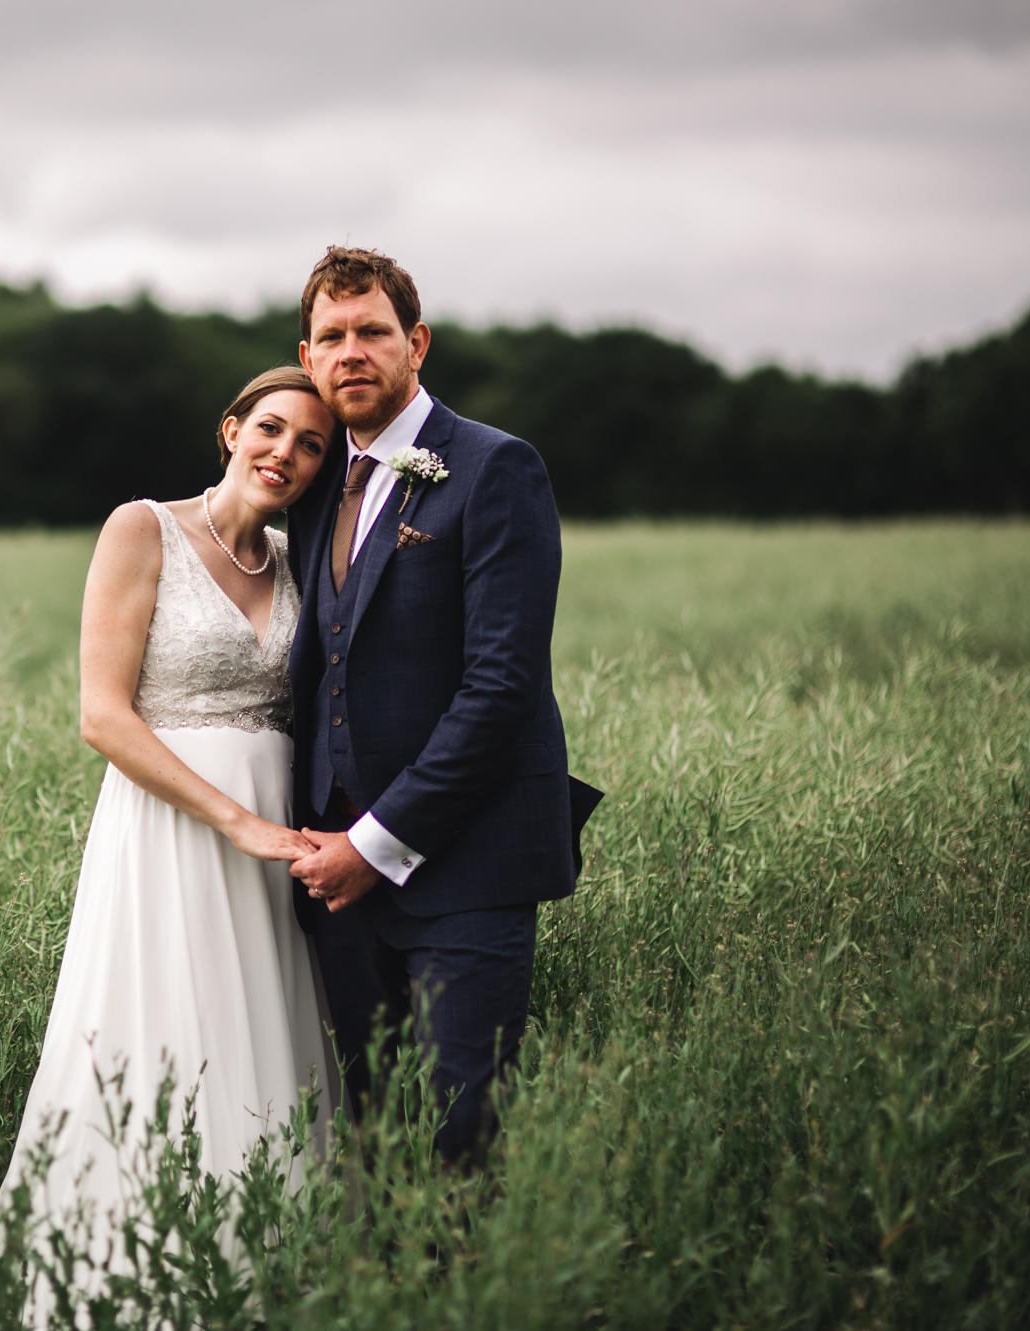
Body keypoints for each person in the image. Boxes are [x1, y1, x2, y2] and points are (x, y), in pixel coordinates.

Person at [0, 367, 341, 1274]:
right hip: (174, 831)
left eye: (312, 445)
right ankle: (131, 1273)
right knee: (161, 1035)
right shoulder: (141, 528)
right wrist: (236, 821)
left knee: (264, 1039)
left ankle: (265, 1266)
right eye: (272, 429)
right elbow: (103, 716)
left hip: (280, 840)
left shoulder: (303, 557)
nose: (288, 454)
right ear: (230, 430)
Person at [285, 246, 601, 1162]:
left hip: (466, 870)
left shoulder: (496, 467)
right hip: (335, 887)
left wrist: (373, 847)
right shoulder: (312, 488)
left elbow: (500, 688)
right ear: (306, 359)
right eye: (331, 336)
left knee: (460, 1138)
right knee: (375, 1136)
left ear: (415, 343)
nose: (352, 352)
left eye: (372, 332)